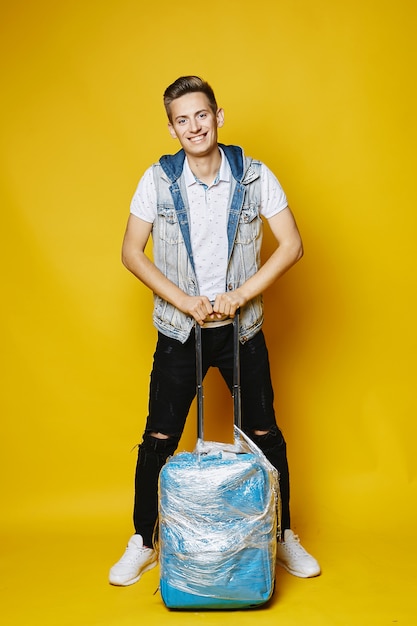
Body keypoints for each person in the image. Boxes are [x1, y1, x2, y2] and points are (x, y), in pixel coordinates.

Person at [109, 76, 320, 586]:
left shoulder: (254, 176)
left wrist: (239, 295)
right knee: (159, 435)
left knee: (265, 434)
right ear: (171, 128)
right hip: (179, 329)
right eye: (182, 120)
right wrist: (183, 301)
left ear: (218, 116)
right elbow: (130, 251)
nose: (194, 127)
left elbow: (291, 245)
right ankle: (143, 540)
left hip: (241, 328)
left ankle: (281, 534)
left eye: (201, 115)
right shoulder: (157, 180)